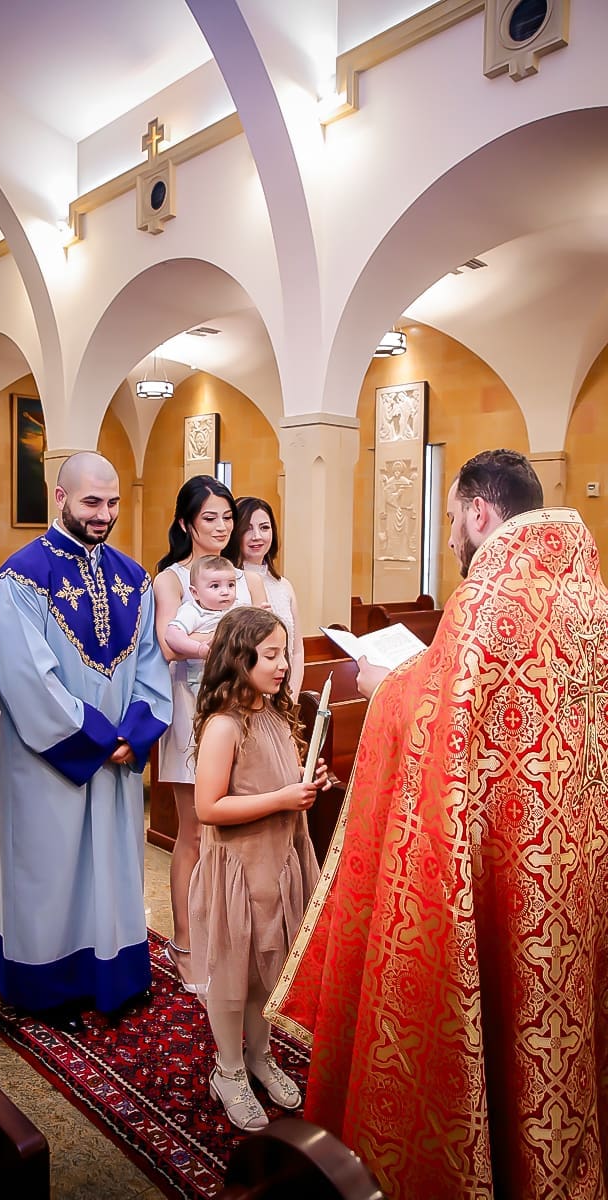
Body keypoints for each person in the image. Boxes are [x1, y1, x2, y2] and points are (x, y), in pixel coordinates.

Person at [267, 449, 608, 1199]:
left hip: (501, 874)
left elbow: (436, 723)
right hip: (571, 876)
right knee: (560, 1043)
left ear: (479, 513)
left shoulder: (489, 601)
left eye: (453, 517)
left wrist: (386, 688)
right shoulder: (591, 600)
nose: (453, 533)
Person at [0, 452, 172, 1027]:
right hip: (50, 760)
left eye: (113, 503)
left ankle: (114, 973)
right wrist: (95, 738)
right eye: (92, 502)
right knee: (51, 869)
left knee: (114, 864)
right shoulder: (18, 579)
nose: (104, 514)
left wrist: (134, 733)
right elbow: (25, 678)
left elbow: (150, 668)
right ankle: (46, 986)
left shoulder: (132, 577)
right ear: (60, 497)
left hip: (113, 759)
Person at [190, 607, 326, 1130]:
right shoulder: (225, 725)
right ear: (238, 658)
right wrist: (281, 796)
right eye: (269, 655)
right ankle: (227, 1069)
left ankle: (257, 1055)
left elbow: (277, 780)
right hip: (238, 870)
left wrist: (305, 781)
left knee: (264, 972)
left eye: (283, 654)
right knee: (231, 973)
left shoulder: (272, 714)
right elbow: (209, 807)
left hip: (276, 862)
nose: (282, 665)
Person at [153, 477, 267, 993]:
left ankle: (227, 938)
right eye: (209, 519)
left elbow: (265, 639)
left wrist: (214, 639)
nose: (222, 528)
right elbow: (170, 646)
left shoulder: (247, 578)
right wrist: (225, 641)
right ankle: (184, 943)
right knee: (194, 833)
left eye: (227, 518)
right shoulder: (173, 579)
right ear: (186, 524)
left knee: (234, 832)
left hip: (242, 709)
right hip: (188, 709)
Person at [226, 497, 304, 695]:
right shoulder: (226, 584)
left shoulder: (284, 586)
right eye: (248, 528)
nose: (257, 536)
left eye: (264, 527)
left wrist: (291, 697)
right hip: (241, 693)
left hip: (281, 693)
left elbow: (296, 651)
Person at [164, 555, 241, 691]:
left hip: (233, 675)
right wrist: (199, 649)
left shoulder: (236, 609)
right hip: (201, 678)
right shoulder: (193, 611)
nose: (225, 592)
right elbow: (172, 634)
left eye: (231, 585)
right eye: (215, 586)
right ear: (195, 593)